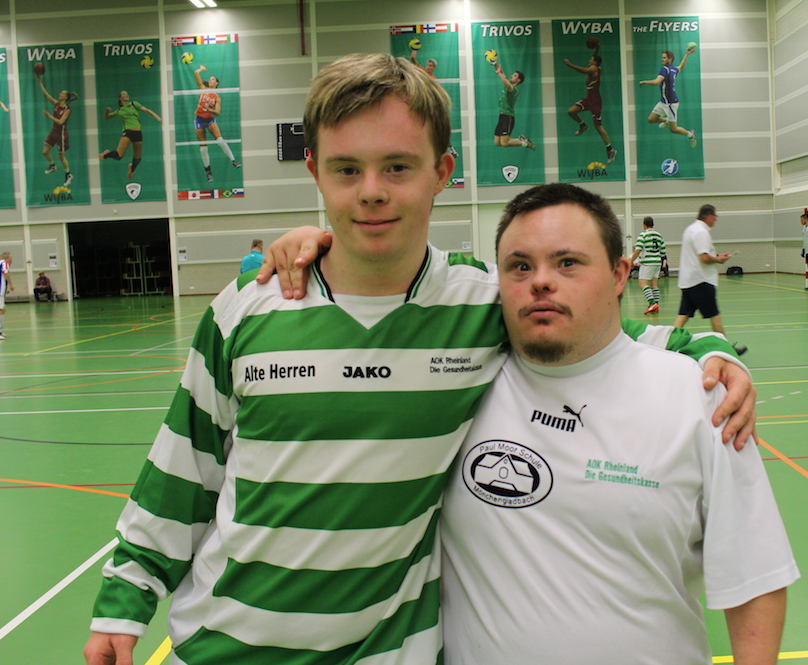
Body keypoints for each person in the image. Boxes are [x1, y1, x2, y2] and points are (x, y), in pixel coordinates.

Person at [86, 52, 756, 665]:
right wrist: (124, 599)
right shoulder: (247, 306)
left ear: (442, 171)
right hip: (225, 649)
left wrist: (717, 351)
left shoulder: (479, 303)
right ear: (315, 170)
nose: (372, 190)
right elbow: (182, 467)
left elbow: (611, 336)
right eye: (347, 169)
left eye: (398, 167)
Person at [442, 183, 797, 665]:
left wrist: (712, 348)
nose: (540, 281)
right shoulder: (457, 386)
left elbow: (754, 578)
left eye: (568, 262)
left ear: (618, 274)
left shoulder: (703, 398)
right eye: (520, 267)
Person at [674, 204, 748, 356]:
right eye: (715, 216)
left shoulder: (690, 229)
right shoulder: (701, 232)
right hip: (701, 281)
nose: (715, 220)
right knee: (715, 316)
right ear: (708, 216)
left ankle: (667, 344)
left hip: (689, 280)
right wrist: (719, 259)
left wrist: (717, 256)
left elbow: (701, 254)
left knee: (683, 315)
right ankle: (727, 350)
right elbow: (705, 258)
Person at [563, 46, 616, 164]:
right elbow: (594, 58)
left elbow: (585, 70)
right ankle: (582, 125)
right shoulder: (595, 66)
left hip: (595, 101)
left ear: (595, 62)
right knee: (571, 111)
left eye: (591, 59)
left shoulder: (593, 69)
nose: (589, 60)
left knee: (598, 127)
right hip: (589, 99)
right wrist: (597, 48)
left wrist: (570, 65)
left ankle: (610, 149)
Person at [638, 46, 698, 148]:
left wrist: (644, 82)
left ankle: (690, 135)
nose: (662, 59)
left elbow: (657, 82)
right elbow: (681, 66)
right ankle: (666, 120)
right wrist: (687, 55)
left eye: (664, 57)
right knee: (651, 119)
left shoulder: (665, 70)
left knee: (673, 129)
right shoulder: (674, 69)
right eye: (662, 57)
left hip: (671, 103)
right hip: (663, 101)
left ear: (670, 59)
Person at [192, 65, 241, 184]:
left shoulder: (217, 97)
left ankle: (233, 160)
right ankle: (208, 171)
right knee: (203, 149)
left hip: (210, 120)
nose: (210, 80)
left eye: (213, 79)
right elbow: (196, 74)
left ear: (217, 83)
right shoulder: (202, 89)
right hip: (199, 120)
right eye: (210, 79)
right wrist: (201, 69)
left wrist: (209, 109)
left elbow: (217, 112)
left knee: (220, 141)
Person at [100, 91, 161, 179]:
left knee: (137, 158)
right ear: (120, 98)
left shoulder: (134, 104)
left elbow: (147, 110)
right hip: (128, 132)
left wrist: (157, 117)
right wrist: (106, 111)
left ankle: (132, 169)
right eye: (124, 94)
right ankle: (105, 155)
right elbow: (107, 117)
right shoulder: (119, 111)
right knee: (118, 156)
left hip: (138, 133)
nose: (126, 95)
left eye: (127, 94)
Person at [35, 73, 78, 187]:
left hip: (61, 134)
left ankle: (68, 175)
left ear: (66, 97)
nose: (60, 94)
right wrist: (40, 82)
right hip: (54, 132)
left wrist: (49, 115)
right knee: (45, 152)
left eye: (62, 93)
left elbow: (60, 122)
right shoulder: (57, 104)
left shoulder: (67, 109)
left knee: (61, 156)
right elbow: (46, 95)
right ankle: (53, 166)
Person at [491, 57, 536, 151]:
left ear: (518, 80)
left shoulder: (514, 90)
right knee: (497, 142)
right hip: (502, 116)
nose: (511, 76)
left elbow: (507, 84)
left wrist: (499, 74)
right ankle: (521, 140)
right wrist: (496, 66)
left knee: (504, 143)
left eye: (515, 75)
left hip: (508, 117)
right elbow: (504, 76)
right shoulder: (508, 84)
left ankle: (524, 142)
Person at [630, 215, 666, 314]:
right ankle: (655, 305)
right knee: (654, 284)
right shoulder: (659, 235)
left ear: (644, 225)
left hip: (647, 263)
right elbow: (663, 252)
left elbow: (638, 250)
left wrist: (631, 261)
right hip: (657, 262)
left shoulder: (643, 235)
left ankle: (652, 303)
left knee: (643, 284)